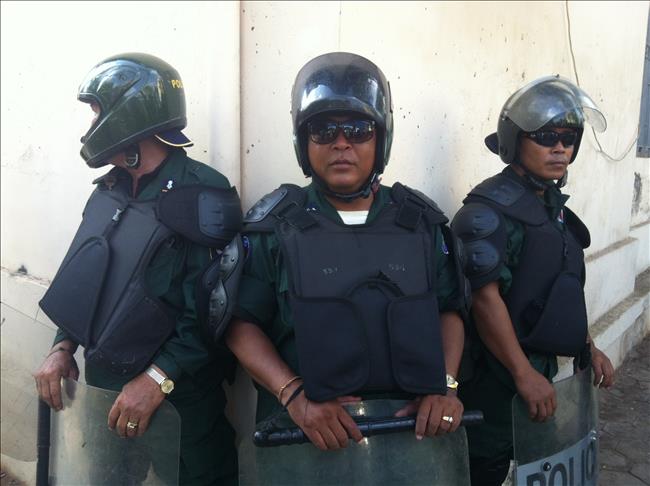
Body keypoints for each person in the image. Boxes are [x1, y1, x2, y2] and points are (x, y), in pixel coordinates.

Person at [225, 52, 469, 452]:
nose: (341, 143)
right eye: (323, 131)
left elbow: (449, 309)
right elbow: (239, 323)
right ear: (303, 142)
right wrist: (293, 395)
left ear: (381, 138)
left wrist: (445, 386)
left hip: (408, 437)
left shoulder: (420, 223)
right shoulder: (276, 226)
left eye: (358, 130)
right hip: (304, 439)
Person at [33, 53, 241, 485]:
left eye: (97, 113)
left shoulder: (203, 193)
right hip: (105, 391)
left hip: (181, 403)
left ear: (127, 115)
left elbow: (213, 311)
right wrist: (62, 346)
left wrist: (157, 379)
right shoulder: (108, 190)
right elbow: (87, 281)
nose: (91, 127)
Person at [451, 75, 615, 486]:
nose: (560, 148)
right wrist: (523, 374)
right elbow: (484, 300)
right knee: (484, 469)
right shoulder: (486, 212)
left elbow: (558, 286)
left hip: (539, 373)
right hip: (493, 379)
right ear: (515, 141)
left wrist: (587, 345)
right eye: (545, 137)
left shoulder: (551, 206)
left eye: (568, 138)